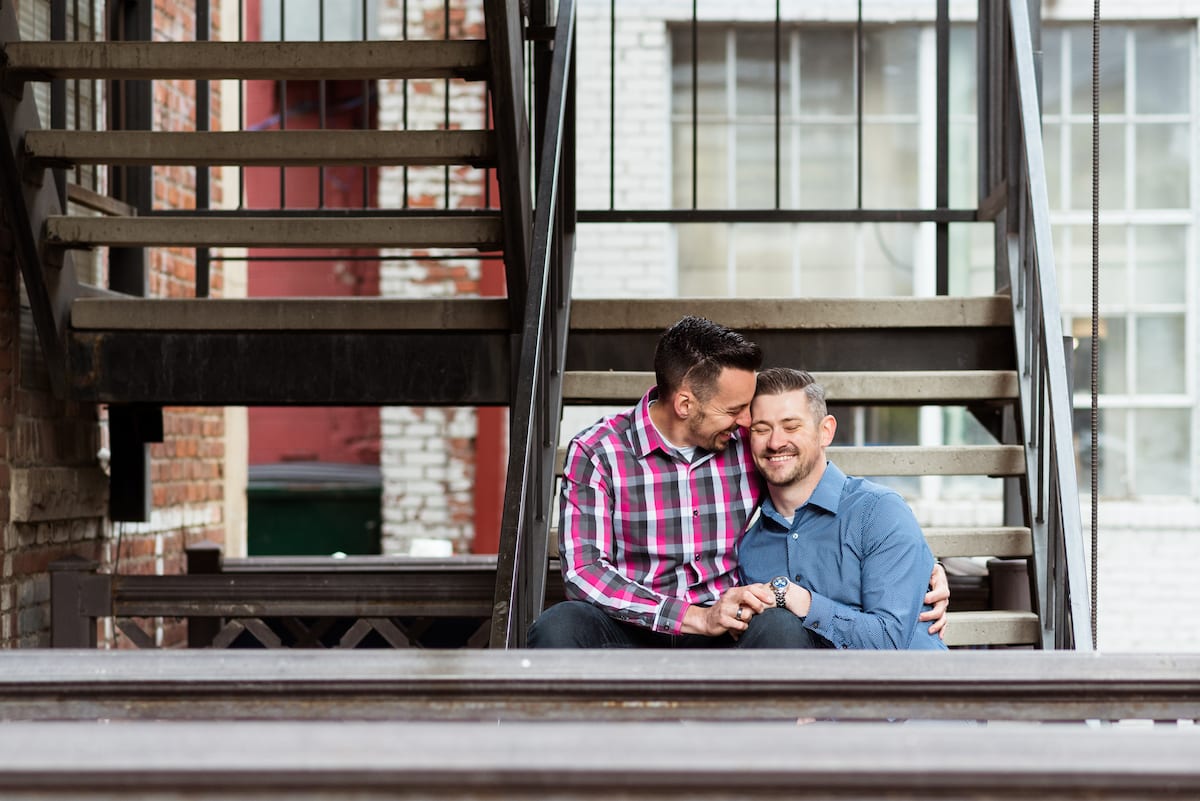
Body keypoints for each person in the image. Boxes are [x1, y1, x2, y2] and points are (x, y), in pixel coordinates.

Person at [528, 315, 948, 648]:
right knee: (560, 625)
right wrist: (691, 617)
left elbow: (810, 480)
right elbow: (584, 572)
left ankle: (757, 755)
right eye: (736, 409)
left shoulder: (745, 442)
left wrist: (922, 567)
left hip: (728, 631)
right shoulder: (598, 452)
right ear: (685, 403)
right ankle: (578, 755)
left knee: (781, 627)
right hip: (635, 627)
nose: (749, 423)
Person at [736, 367, 947, 650]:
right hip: (808, 689)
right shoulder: (750, 547)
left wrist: (801, 600)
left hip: (903, 688)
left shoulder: (879, 512)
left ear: (825, 432)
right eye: (761, 429)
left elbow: (889, 642)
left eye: (791, 426)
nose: (775, 442)